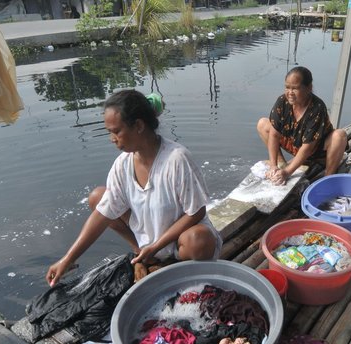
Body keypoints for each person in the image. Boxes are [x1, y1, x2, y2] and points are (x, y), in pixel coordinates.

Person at [46, 89, 222, 286]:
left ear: (138, 125)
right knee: (98, 198)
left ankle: (167, 262)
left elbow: (196, 212)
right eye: (109, 133)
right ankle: (143, 253)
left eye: (116, 131)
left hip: (179, 242)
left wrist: (156, 246)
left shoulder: (176, 159)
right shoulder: (122, 165)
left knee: (198, 239)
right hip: (149, 239)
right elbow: (102, 214)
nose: (112, 139)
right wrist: (68, 259)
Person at [257, 66, 347, 186]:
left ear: (309, 88)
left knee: (339, 136)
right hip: (295, 145)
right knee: (263, 124)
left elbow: (308, 148)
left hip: (317, 150)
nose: (290, 93)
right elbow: (274, 134)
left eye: (295, 88)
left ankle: (328, 178)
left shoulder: (317, 108)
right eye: (287, 87)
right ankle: (281, 164)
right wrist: (273, 166)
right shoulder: (282, 102)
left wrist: (287, 173)